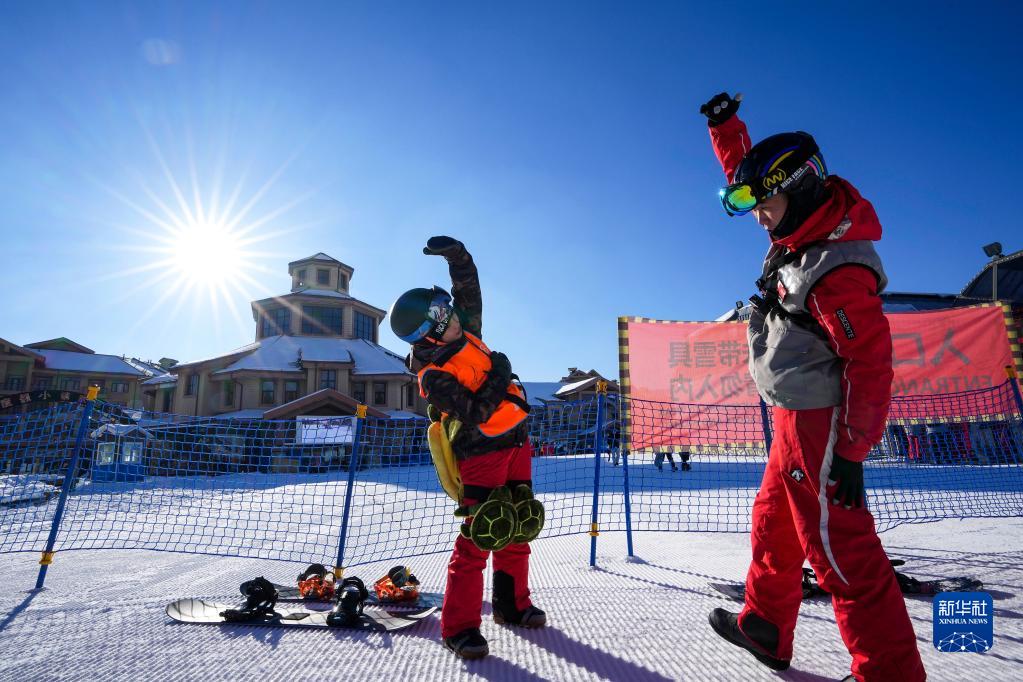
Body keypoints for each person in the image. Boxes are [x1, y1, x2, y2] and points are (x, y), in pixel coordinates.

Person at [698, 93, 925, 682]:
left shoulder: (836, 269)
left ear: (797, 189)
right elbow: (748, 175)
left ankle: (890, 672)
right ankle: (765, 624)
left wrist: (851, 450)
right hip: (791, 415)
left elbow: (871, 366)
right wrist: (726, 128)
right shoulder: (798, 232)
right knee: (773, 518)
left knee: (840, 551)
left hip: (820, 424)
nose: (756, 216)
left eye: (763, 203)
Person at [389, 236, 546, 660]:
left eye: (450, 313)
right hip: (480, 455)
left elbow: (468, 290)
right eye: (444, 320)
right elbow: (476, 411)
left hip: (516, 442)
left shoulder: (466, 330)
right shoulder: (434, 376)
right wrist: (500, 372)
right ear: (430, 336)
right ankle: (458, 627)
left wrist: (458, 256)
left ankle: (512, 605)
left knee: (518, 526)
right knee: (479, 536)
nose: (455, 320)